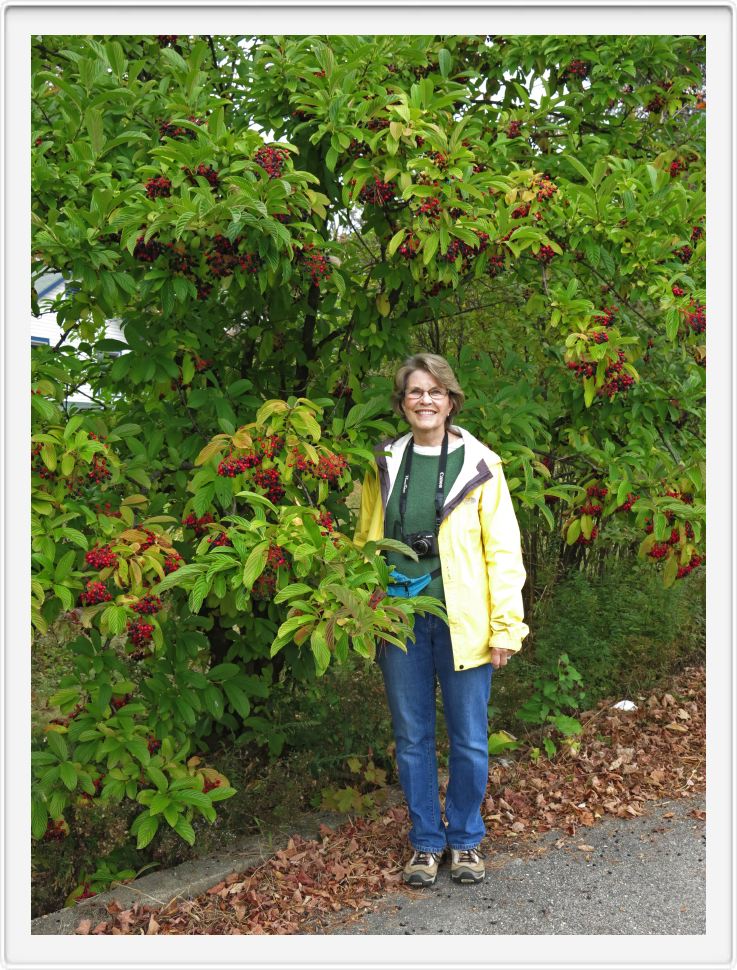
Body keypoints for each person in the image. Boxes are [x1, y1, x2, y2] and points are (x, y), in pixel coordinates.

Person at [353, 353, 529, 887]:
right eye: (414, 392)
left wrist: (506, 626)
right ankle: (426, 843)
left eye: (434, 391)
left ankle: (467, 841)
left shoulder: (481, 465)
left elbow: (503, 552)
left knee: (471, 739)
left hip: (465, 621)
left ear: (451, 401)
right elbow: (365, 545)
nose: (424, 400)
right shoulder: (383, 462)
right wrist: (362, 613)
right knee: (411, 738)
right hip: (399, 621)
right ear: (402, 403)